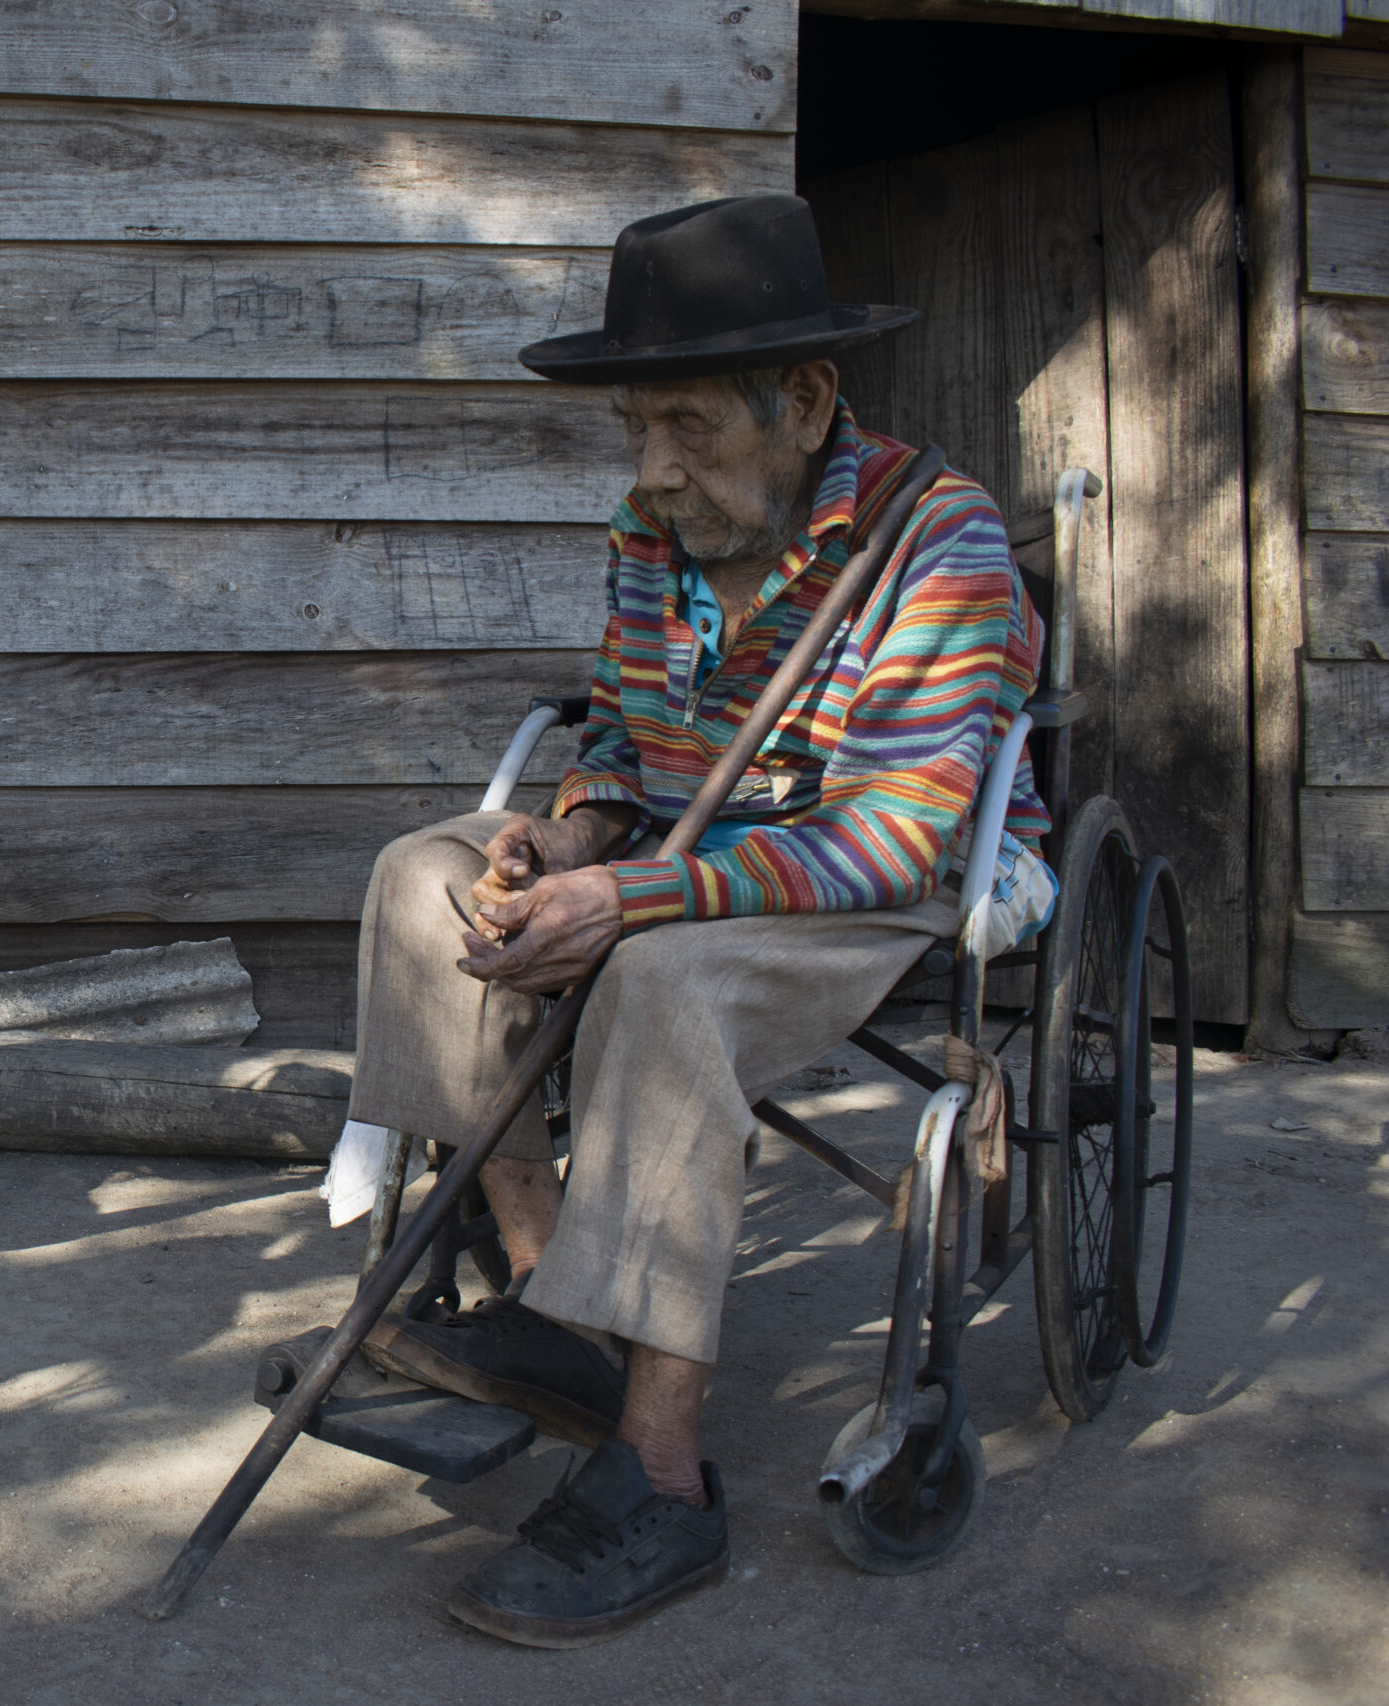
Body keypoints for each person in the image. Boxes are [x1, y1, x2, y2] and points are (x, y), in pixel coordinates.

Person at [330, 197, 1049, 1644]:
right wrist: (570, 834)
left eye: (689, 427)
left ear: (804, 400)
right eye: (634, 428)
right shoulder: (656, 529)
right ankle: (553, 1300)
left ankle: (659, 1473)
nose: (654, 470)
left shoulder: (937, 536)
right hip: (678, 844)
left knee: (659, 978)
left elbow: (895, 830)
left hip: (867, 875)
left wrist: (631, 893)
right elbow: (630, 737)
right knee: (425, 872)